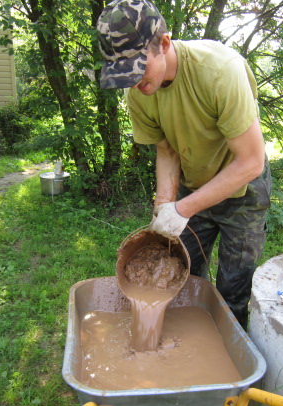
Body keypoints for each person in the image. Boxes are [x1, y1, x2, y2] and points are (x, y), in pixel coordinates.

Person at [97, 0, 271, 328]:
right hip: (194, 185)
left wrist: (182, 209)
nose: (133, 83)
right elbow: (166, 150)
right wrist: (165, 205)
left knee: (232, 290)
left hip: (243, 189)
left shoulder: (219, 71)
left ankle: (222, 370)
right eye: (123, 73)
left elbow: (251, 162)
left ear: (163, 44)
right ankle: (179, 353)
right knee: (180, 277)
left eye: (137, 68)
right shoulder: (139, 94)